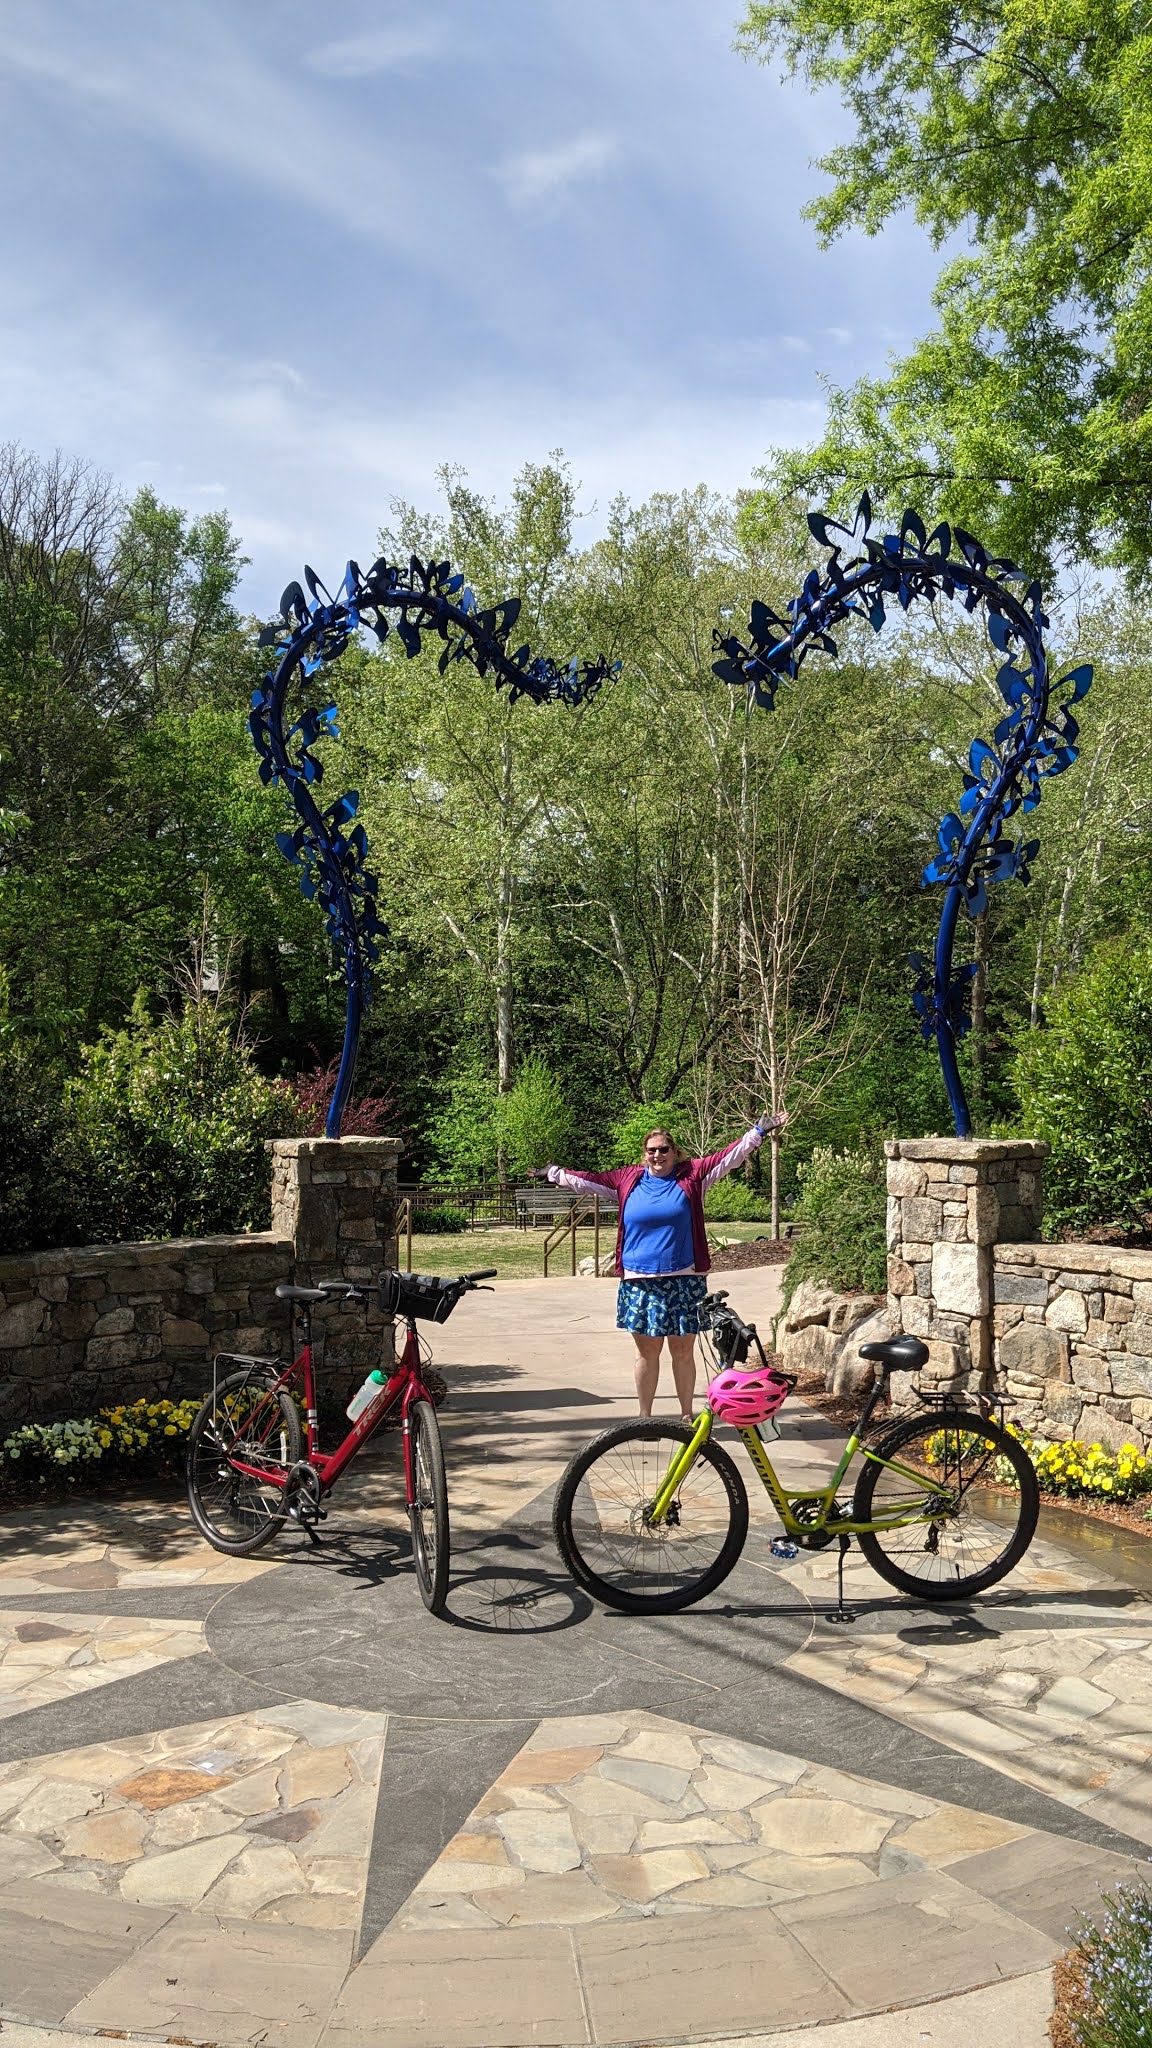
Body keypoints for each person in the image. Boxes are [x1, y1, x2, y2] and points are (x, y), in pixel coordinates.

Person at [544, 1112, 788, 1423]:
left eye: (663, 1149)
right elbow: (587, 1180)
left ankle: (686, 1417)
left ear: (674, 1152)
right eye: (651, 1150)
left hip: (684, 1280)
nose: (657, 1155)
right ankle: (645, 1418)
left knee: (683, 1352)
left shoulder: (692, 1176)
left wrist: (757, 1133)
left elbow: (728, 1158)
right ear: (644, 1154)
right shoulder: (627, 1180)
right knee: (647, 1353)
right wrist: (553, 1172)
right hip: (640, 1282)